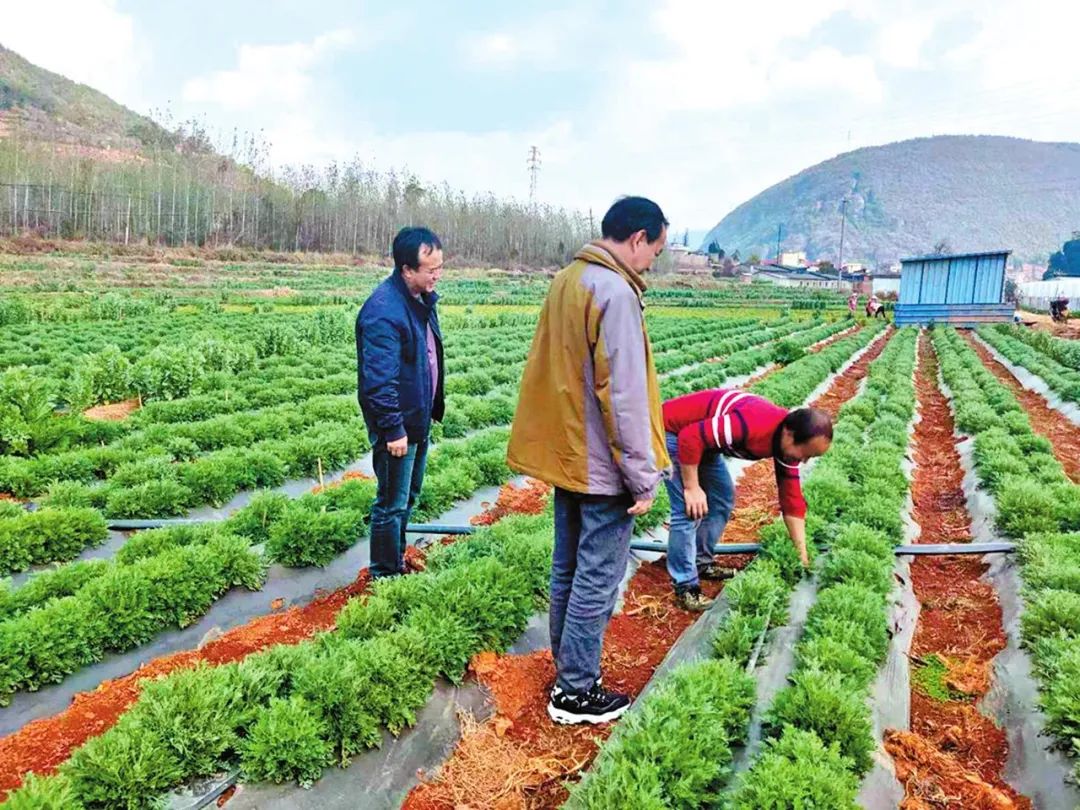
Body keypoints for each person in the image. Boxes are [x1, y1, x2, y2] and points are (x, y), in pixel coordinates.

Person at [507, 196, 671, 725]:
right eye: (656, 251)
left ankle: (568, 672)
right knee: (596, 577)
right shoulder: (615, 291)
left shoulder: (567, 279)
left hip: (569, 454)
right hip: (602, 463)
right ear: (638, 238)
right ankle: (575, 691)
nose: (652, 263)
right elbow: (622, 395)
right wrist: (642, 478)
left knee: (568, 569)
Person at [661, 389, 833, 610]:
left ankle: (700, 563)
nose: (805, 461)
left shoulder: (786, 447)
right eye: (805, 453)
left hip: (706, 443)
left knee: (722, 499)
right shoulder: (755, 423)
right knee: (688, 508)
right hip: (673, 431)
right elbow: (690, 436)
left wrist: (801, 554)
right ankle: (685, 588)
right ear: (790, 434)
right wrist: (692, 487)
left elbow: (791, 501)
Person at [356, 227, 445, 579]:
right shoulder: (383, 312)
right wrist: (393, 429)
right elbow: (379, 381)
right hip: (399, 428)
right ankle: (384, 574)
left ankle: (396, 560)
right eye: (430, 269)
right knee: (391, 504)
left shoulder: (421, 299)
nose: (437, 275)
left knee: (408, 498)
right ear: (407, 269)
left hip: (416, 421)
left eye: (440, 267)